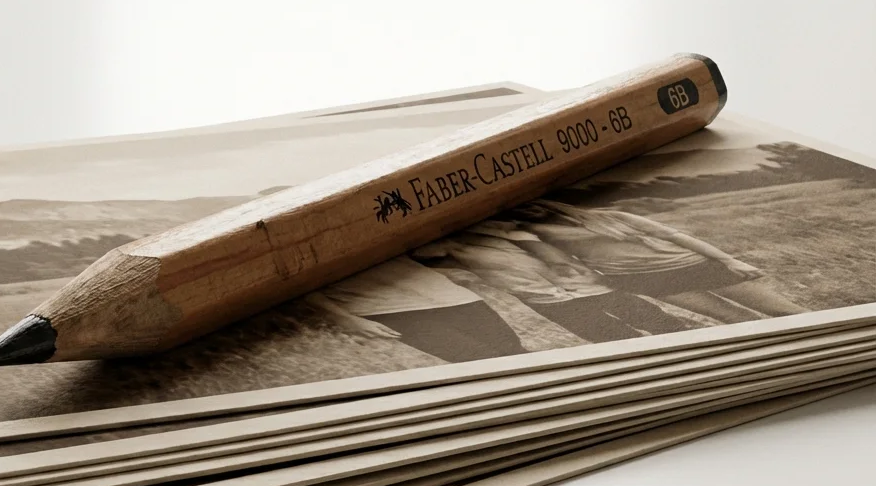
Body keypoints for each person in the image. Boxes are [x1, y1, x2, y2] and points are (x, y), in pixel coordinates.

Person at [510, 201, 807, 323]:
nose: (531, 213)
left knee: (781, 309)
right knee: (734, 319)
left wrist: (730, 260)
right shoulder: (535, 235)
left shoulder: (613, 217)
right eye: (522, 212)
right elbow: (563, 263)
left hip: (694, 265)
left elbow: (675, 235)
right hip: (652, 282)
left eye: (534, 206)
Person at [412, 221, 696, 343]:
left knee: (656, 321)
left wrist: (559, 264)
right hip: (545, 299)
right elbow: (426, 257)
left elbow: (542, 249)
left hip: (588, 288)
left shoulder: (502, 234)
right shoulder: (450, 253)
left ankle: (688, 345)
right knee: (609, 335)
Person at [310, 255, 527, 363]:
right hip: (390, 309)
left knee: (517, 353)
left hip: (449, 294)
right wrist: (343, 318)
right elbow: (300, 289)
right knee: (482, 362)